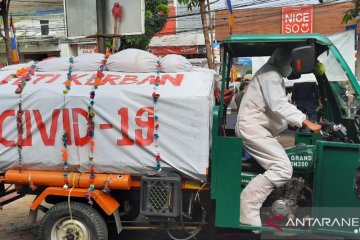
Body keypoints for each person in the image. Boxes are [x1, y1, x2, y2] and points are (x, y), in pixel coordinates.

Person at [235, 46, 321, 227]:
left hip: (257, 128)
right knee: (282, 168)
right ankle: (247, 205)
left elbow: (269, 107)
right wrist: (306, 121)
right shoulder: (271, 75)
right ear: (285, 60)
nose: (291, 68)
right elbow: (279, 104)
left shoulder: (272, 75)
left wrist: (288, 122)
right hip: (253, 129)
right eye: (291, 63)